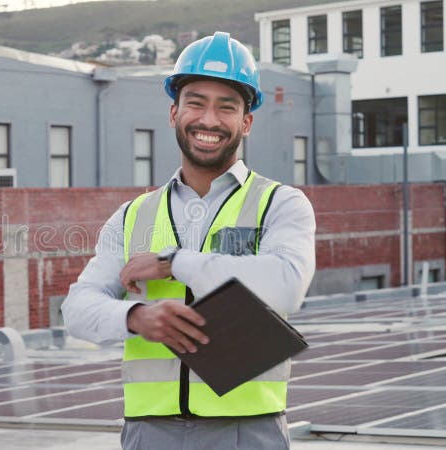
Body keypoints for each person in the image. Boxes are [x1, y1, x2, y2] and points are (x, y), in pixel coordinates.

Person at [61, 31, 316, 449]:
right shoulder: (133, 216)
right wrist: (135, 318)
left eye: (226, 107)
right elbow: (76, 309)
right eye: (196, 103)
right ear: (174, 113)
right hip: (149, 431)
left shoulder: (280, 204)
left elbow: (285, 287)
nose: (209, 120)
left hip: (248, 431)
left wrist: (171, 262)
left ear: (246, 122)